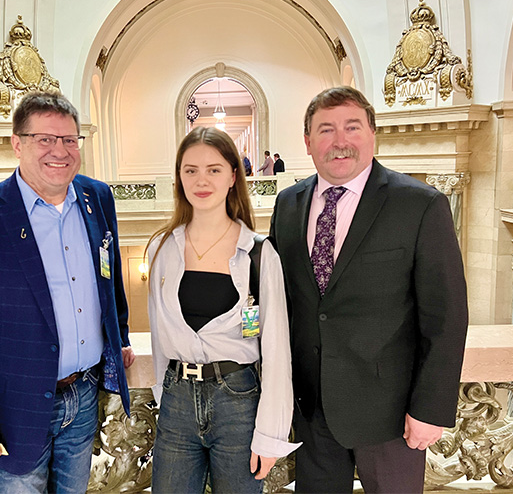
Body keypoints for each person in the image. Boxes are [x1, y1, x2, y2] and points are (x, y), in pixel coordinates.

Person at [0, 91, 135, 494]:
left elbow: (108, 282)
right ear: (17, 142)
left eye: (69, 140)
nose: (59, 151)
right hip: (13, 408)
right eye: (45, 139)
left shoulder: (98, 197)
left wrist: (120, 336)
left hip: (83, 396)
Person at [269, 86, 468, 493]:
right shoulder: (287, 205)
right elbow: (284, 304)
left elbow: (446, 317)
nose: (339, 141)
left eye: (352, 127)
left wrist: (430, 409)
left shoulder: (419, 205)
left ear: (372, 134)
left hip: (391, 417)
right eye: (325, 130)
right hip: (311, 413)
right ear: (307, 142)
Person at [147, 126, 298, 493]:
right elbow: (158, 338)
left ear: (233, 176)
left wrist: (270, 434)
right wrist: (164, 395)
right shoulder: (162, 249)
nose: (202, 180)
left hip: (238, 403)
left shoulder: (260, 254)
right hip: (177, 401)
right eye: (191, 170)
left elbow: (277, 349)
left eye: (214, 169)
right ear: (179, 177)